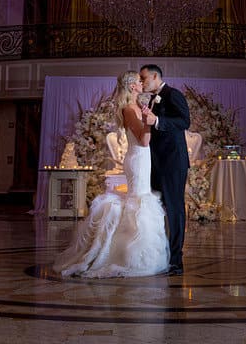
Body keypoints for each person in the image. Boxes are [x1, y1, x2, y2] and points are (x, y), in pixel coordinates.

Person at [53, 71, 169, 278]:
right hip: (138, 159)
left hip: (143, 159)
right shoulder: (128, 109)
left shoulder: (135, 107)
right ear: (133, 86)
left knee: (139, 199)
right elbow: (144, 140)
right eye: (139, 81)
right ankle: (124, 253)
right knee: (138, 200)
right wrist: (149, 122)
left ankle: (124, 247)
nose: (143, 84)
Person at [138, 64, 190, 276]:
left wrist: (157, 120)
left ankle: (176, 261)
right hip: (156, 162)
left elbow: (185, 121)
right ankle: (162, 255)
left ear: (155, 76)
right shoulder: (152, 98)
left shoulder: (173, 94)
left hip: (173, 162)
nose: (142, 83)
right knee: (158, 209)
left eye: (144, 79)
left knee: (175, 209)